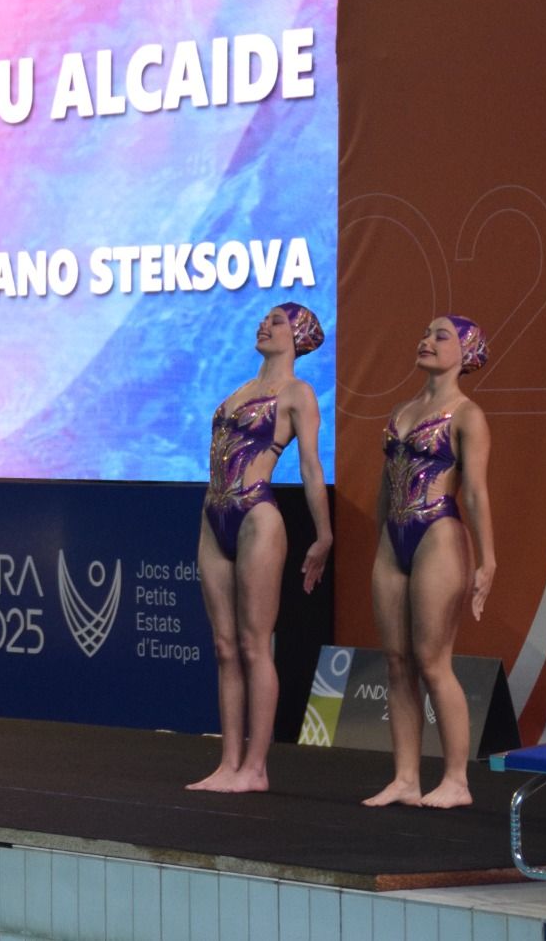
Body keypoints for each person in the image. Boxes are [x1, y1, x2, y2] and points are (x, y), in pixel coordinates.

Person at [189, 303, 332, 793]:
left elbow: (310, 467)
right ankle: (228, 762)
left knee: (254, 644)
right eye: (264, 319)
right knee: (224, 646)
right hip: (214, 514)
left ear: (298, 334)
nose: (264, 325)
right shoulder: (239, 392)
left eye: (276, 321)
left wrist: (324, 534)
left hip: (256, 514)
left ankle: (256, 767)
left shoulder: (298, 393)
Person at [363, 315, 495, 809]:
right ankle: (405, 778)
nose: (427, 341)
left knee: (433, 661)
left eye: (442, 336)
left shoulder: (467, 415)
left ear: (466, 352)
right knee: (396, 661)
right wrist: (382, 538)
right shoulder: (401, 410)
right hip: (393, 537)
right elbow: (385, 484)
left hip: (438, 531)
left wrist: (488, 560)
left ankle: (457, 780)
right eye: (425, 333)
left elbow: (475, 492)